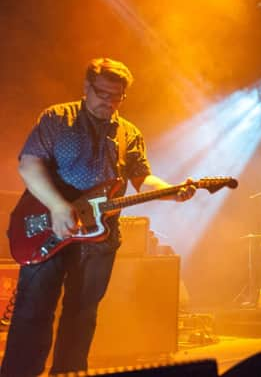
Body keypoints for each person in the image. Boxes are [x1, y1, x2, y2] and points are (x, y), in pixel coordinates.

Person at [0, 58, 197, 377]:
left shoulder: (128, 133)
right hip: (48, 226)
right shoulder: (56, 117)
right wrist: (58, 206)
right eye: (102, 94)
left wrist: (171, 190)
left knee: (82, 315)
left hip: (99, 237)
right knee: (33, 312)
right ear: (86, 88)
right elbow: (29, 164)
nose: (109, 102)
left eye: (116, 97)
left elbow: (142, 178)